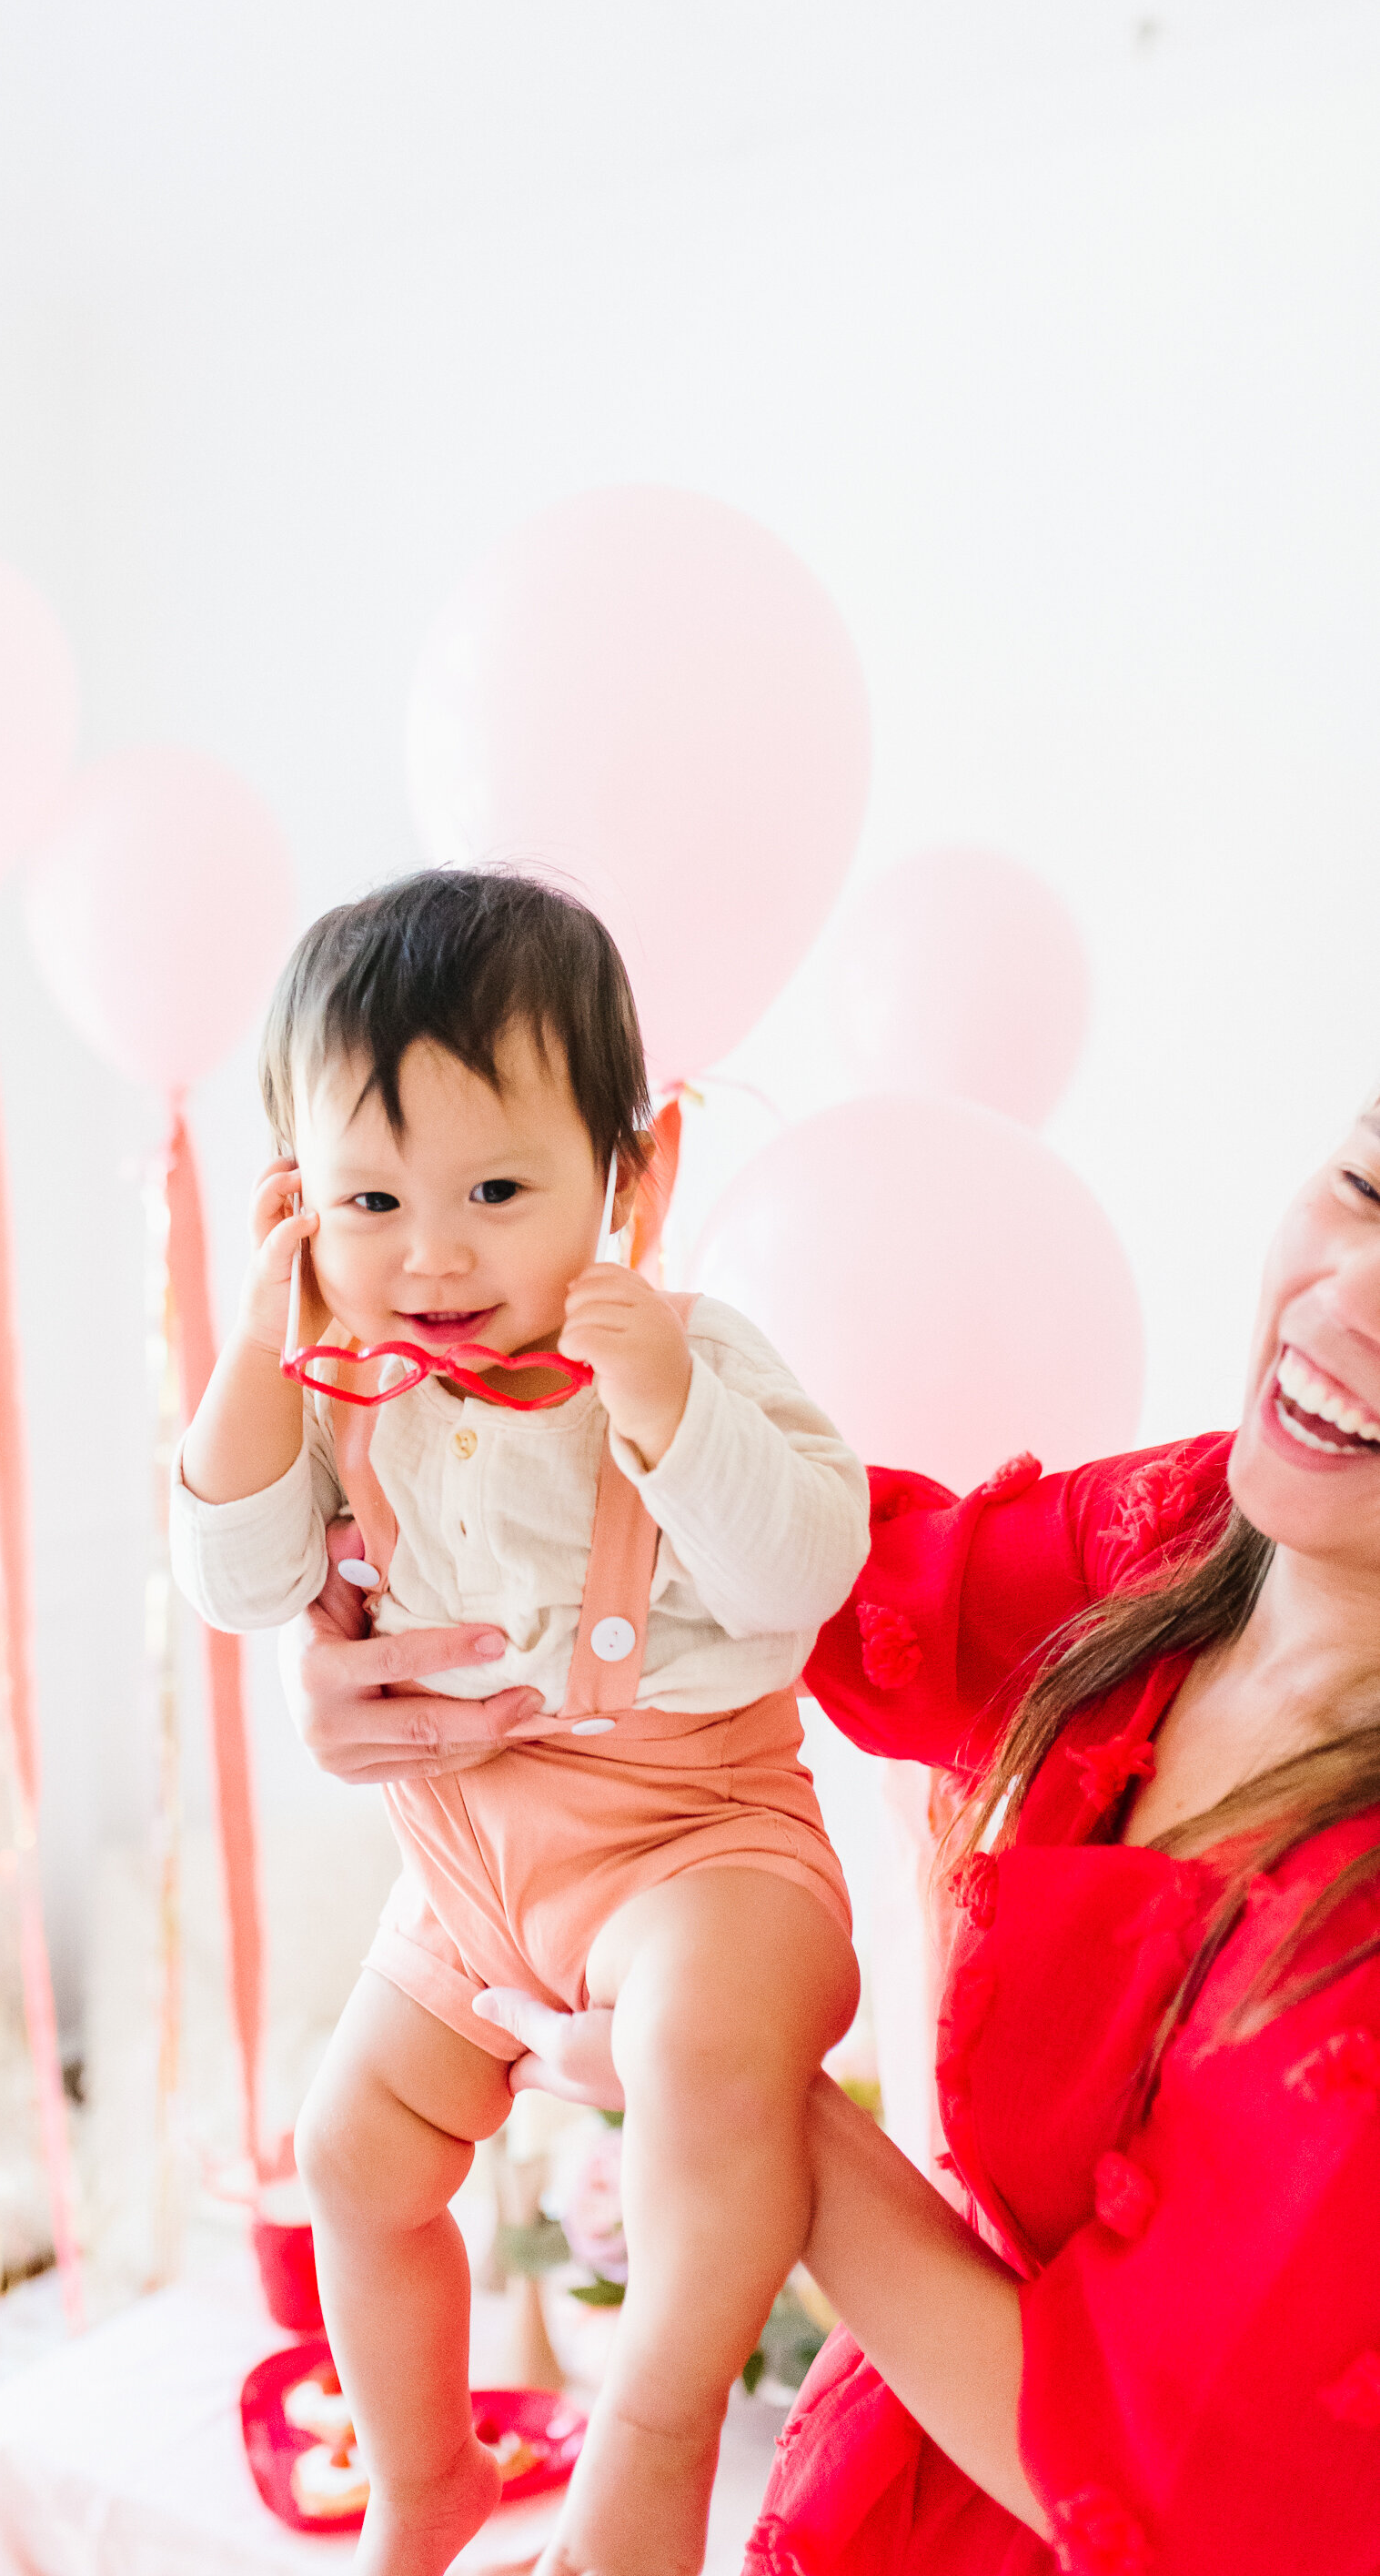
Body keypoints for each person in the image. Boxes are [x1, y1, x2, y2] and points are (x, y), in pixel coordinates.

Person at [284, 1092, 1380, 2572]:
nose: (1354, 1301)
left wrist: (725, 2079)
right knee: (347, 2147)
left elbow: (1133, 2478)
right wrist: (423, 1608)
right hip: (879, 2488)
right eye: (1369, 1184)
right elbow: (833, 1582)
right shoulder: (1172, 1541)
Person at [171, 869, 870, 2576]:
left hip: (697, 1842)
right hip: (468, 1877)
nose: (435, 1252)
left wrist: (665, 1403)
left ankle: (650, 2445)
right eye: (371, 1199)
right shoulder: (341, 1390)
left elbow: (803, 1574)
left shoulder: (688, 1350)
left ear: (629, 1178)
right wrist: (258, 1348)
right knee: (354, 2151)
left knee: (708, 2049)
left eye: (497, 1187)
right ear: (298, 1210)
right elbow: (243, 1581)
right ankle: (424, 2477)